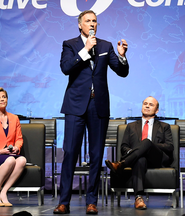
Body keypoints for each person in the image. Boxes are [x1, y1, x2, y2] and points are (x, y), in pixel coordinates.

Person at [54, 10, 129, 214]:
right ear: (80, 25)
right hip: (75, 105)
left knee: (96, 155)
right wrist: (85, 50)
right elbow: (66, 68)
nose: (91, 23)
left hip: (99, 106)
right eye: (87, 21)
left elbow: (121, 72)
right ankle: (64, 202)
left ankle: (91, 201)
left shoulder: (105, 45)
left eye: (94, 20)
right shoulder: (69, 44)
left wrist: (122, 57)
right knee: (70, 152)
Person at [105, 96, 174, 210]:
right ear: (142, 107)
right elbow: (124, 147)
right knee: (140, 159)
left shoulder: (164, 126)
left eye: (151, 105)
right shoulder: (131, 126)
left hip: (157, 158)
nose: (147, 106)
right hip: (137, 159)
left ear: (156, 110)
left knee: (146, 142)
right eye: (145, 104)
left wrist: (149, 145)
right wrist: (136, 152)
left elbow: (170, 146)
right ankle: (138, 198)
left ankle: (122, 164)